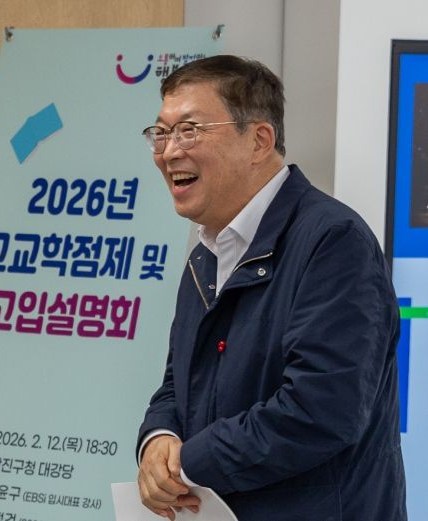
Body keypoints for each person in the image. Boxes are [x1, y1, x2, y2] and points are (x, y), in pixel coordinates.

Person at [136, 55, 406, 521]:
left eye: (189, 130)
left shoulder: (333, 241)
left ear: (259, 140)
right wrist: (158, 439)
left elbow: (320, 410)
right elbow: (179, 384)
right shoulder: (207, 253)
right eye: (161, 133)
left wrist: (188, 463)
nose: (169, 151)